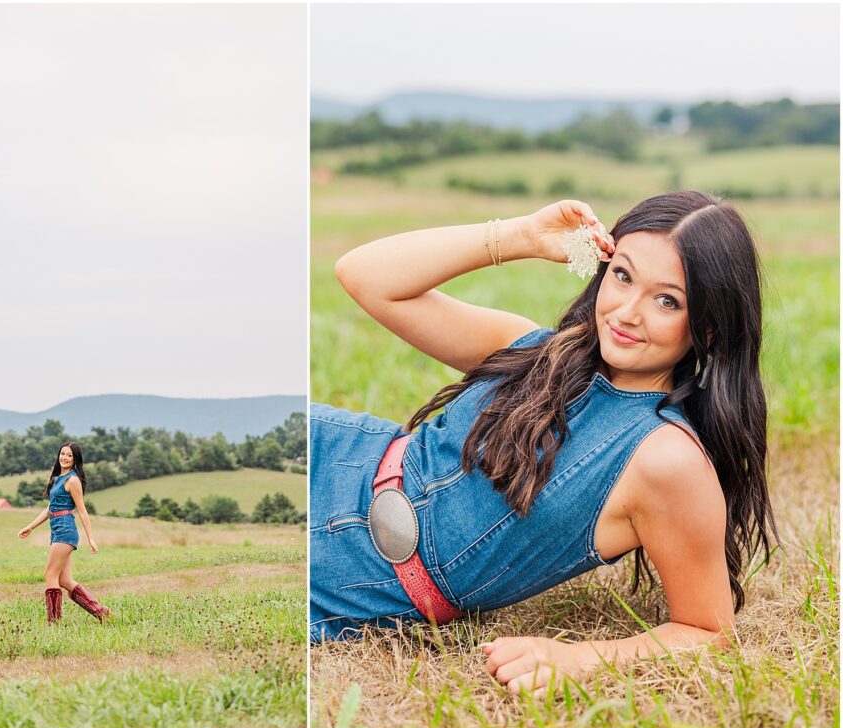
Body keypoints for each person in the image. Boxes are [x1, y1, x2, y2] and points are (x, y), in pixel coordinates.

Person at [309, 192, 778, 695]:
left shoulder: (666, 460)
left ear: (707, 327)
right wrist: (519, 237)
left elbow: (709, 630)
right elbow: (364, 276)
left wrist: (577, 658)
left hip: (354, 571)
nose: (627, 311)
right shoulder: (535, 350)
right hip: (336, 453)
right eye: (622, 275)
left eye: (668, 300)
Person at [18, 441, 111, 623]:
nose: (65, 458)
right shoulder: (56, 479)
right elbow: (50, 508)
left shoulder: (72, 480)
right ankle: (102, 613)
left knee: (50, 575)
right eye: (63, 454)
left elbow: (82, 510)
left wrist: (91, 538)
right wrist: (30, 526)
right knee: (66, 581)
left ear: (75, 459)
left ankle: (54, 623)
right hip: (57, 530)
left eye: (69, 455)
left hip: (65, 530)